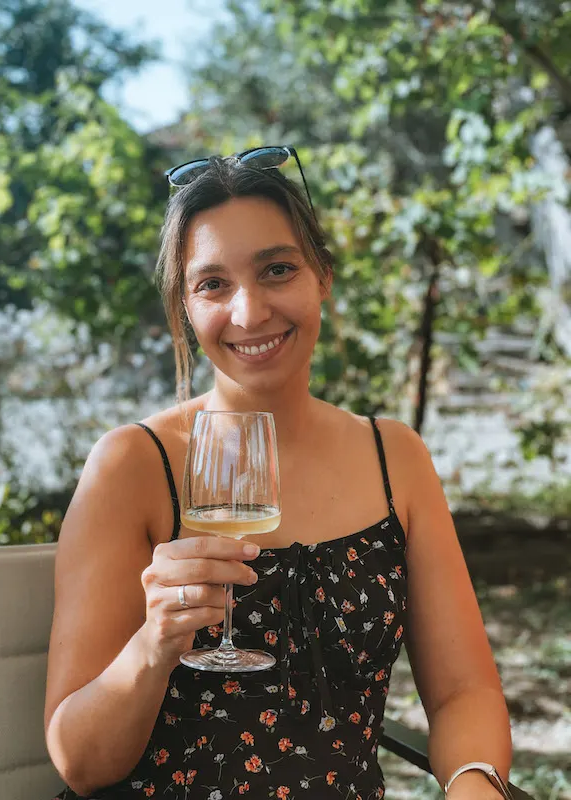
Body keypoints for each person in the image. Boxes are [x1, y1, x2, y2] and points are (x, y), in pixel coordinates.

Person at [45, 147, 512, 800]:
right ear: (185, 305)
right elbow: (80, 761)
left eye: (277, 270)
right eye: (213, 284)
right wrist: (156, 644)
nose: (249, 311)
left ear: (322, 274)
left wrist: (474, 784)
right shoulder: (133, 464)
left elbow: (467, 691)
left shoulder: (394, 458)